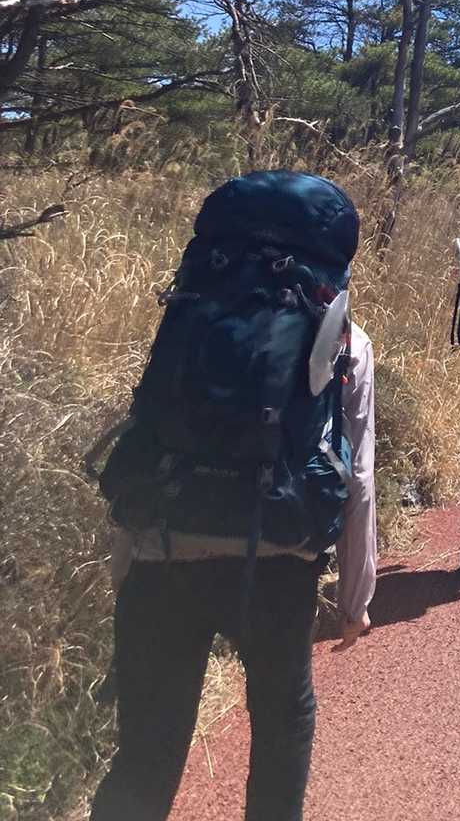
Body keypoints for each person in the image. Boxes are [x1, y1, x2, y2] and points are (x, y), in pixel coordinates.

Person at [89, 171, 378, 821]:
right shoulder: (346, 341)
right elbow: (357, 478)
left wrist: (128, 563)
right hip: (278, 555)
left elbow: (151, 429)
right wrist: (355, 601)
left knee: (145, 759)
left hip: (165, 547)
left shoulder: (190, 313)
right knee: (283, 723)